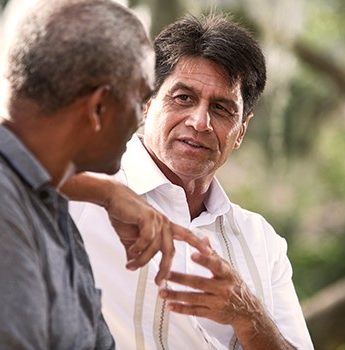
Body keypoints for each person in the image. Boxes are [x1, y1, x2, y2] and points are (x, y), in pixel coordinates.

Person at [68, 14, 314, 349]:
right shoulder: (79, 191)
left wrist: (248, 315)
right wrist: (106, 192)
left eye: (222, 108)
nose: (200, 122)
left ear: (241, 131)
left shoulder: (261, 241)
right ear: (145, 101)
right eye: (183, 98)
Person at [0, 1, 209, 348]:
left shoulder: (50, 207)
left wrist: (107, 193)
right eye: (140, 97)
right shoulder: (8, 216)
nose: (141, 118)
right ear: (99, 107)